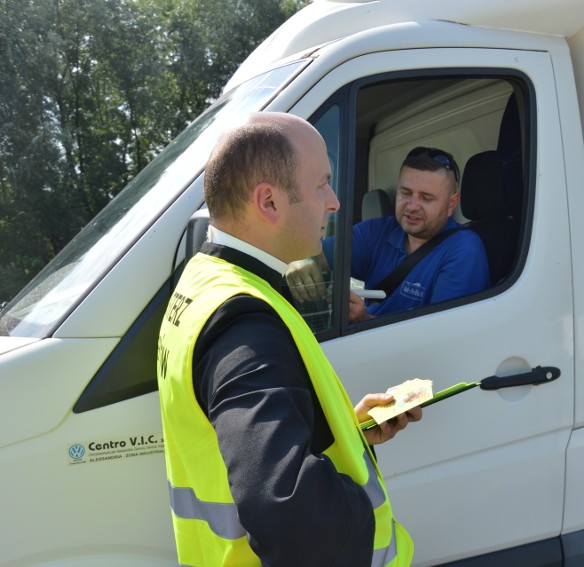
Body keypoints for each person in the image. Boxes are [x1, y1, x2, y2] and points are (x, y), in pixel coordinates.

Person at [157, 113, 418, 566]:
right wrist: (347, 501)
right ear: (269, 202)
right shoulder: (244, 324)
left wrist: (346, 432)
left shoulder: (202, 283)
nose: (335, 202)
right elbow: (291, 514)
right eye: (322, 185)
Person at [286, 146, 490, 323]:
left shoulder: (464, 250)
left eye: (426, 198)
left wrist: (364, 320)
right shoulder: (378, 231)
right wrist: (302, 260)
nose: (412, 206)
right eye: (406, 193)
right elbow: (319, 256)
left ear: (451, 203)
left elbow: (440, 336)